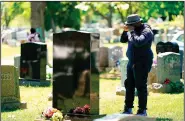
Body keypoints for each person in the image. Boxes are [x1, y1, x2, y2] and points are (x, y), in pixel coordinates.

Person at [120, 14, 154, 116]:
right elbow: (123, 40)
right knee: (129, 85)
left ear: (137, 22)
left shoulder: (147, 31)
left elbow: (139, 42)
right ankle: (128, 108)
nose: (129, 26)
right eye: (128, 24)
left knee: (140, 86)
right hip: (132, 62)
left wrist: (131, 32)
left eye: (130, 24)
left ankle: (142, 110)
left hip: (142, 62)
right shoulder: (132, 31)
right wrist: (125, 31)